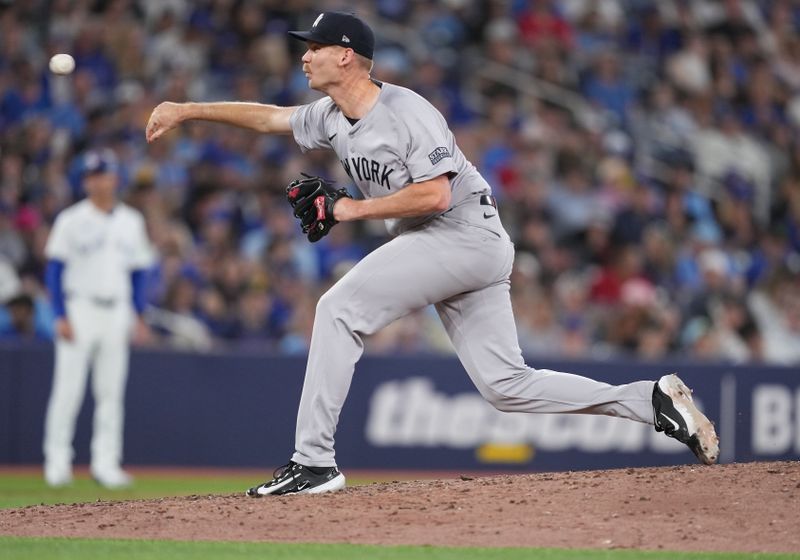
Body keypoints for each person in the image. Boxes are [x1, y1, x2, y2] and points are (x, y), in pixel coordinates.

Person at [145, 11, 720, 496]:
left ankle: (313, 461)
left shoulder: (406, 111)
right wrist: (186, 109)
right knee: (506, 386)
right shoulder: (327, 115)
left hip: (462, 233)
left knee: (337, 309)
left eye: (316, 47)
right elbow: (270, 118)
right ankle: (650, 401)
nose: (305, 55)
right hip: (456, 246)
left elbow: (436, 192)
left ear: (347, 56)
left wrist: (347, 210)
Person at [42, 148, 155, 489]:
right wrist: (59, 314)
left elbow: (138, 273)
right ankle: (57, 462)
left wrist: (138, 314)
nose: (99, 181)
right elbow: (54, 270)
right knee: (68, 390)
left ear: (115, 179)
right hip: (80, 308)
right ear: (86, 181)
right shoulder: (71, 219)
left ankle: (106, 463)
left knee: (110, 393)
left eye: (104, 174)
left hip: (116, 310)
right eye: (93, 175)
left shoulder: (131, 221)